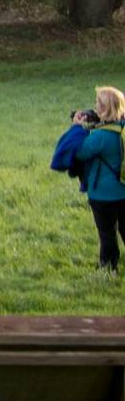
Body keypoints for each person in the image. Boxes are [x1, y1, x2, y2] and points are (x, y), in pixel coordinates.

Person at [69, 87, 125, 270]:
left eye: (98, 104)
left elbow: (79, 153)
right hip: (122, 190)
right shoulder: (121, 129)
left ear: (105, 109)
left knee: (107, 234)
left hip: (103, 194)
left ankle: (108, 267)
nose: (95, 107)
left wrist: (77, 127)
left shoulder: (101, 136)